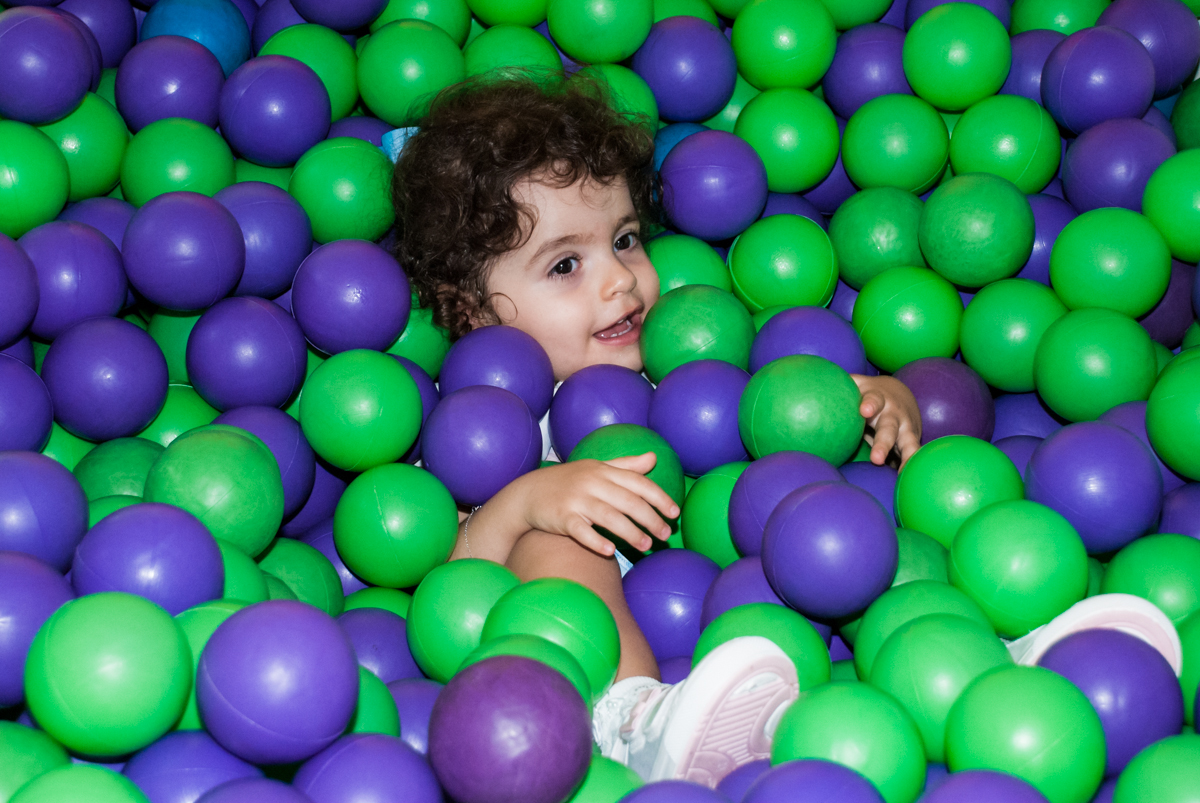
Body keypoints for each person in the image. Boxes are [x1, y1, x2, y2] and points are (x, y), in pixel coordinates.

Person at [390, 73, 922, 787]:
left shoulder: (686, 358)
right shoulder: (486, 425)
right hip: (583, 649)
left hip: (734, 607)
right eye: (566, 264)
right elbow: (454, 590)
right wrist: (527, 502)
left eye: (627, 239)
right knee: (559, 535)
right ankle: (630, 717)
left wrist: (872, 402)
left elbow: (786, 410)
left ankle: (939, 653)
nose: (620, 280)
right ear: (476, 312)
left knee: (836, 514)